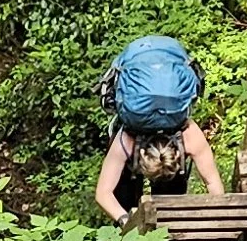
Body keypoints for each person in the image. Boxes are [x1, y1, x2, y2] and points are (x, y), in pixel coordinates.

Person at [96, 35, 227, 221]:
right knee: (163, 197)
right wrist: (128, 222)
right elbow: (213, 183)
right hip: (151, 82)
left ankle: (162, 227)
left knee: (134, 199)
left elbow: (104, 193)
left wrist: (123, 220)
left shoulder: (186, 136)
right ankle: (167, 224)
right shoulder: (189, 137)